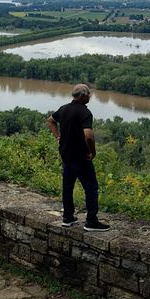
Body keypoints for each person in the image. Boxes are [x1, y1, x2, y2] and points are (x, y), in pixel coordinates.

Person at [47, 84, 110, 232]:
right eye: (88, 95)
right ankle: (91, 221)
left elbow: (50, 121)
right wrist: (92, 151)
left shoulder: (64, 109)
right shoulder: (84, 112)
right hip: (80, 157)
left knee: (68, 187)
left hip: (66, 154)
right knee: (91, 187)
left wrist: (58, 137)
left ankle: (68, 218)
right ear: (82, 96)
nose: (90, 97)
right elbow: (88, 135)